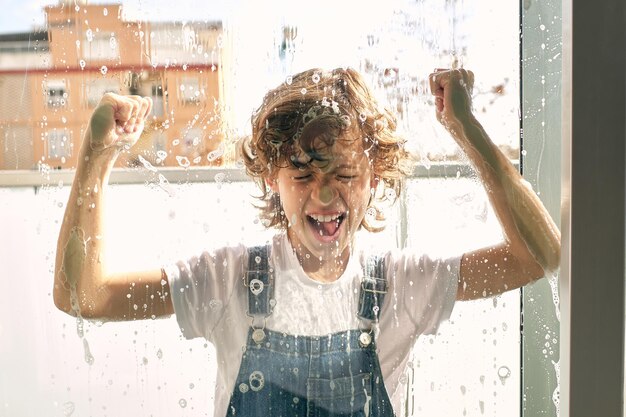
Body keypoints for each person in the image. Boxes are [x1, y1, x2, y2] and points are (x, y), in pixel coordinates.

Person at [53, 67, 560, 417]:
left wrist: (466, 129)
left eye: (343, 172)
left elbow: (538, 256)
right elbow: (84, 296)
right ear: (272, 178)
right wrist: (96, 156)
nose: (323, 193)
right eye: (302, 173)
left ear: (374, 179)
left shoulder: (405, 284)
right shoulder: (227, 279)